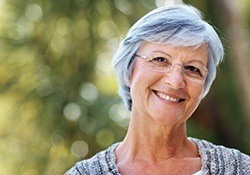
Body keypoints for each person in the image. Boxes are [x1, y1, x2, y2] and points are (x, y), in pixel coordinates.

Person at [66, 3, 250, 175]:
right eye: (160, 60)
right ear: (129, 69)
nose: (176, 81)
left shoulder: (240, 169)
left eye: (192, 69)